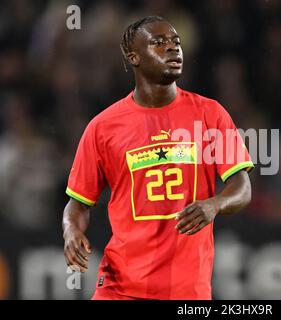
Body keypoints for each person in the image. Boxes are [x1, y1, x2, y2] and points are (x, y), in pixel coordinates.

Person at [62, 16, 253, 300]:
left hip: (186, 291)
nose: (173, 49)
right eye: (159, 43)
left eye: (176, 42)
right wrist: (70, 231)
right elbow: (77, 205)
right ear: (133, 56)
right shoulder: (103, 127)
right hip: (120, 288)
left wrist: (215, 204)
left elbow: (242, 189)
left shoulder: (210, 114)